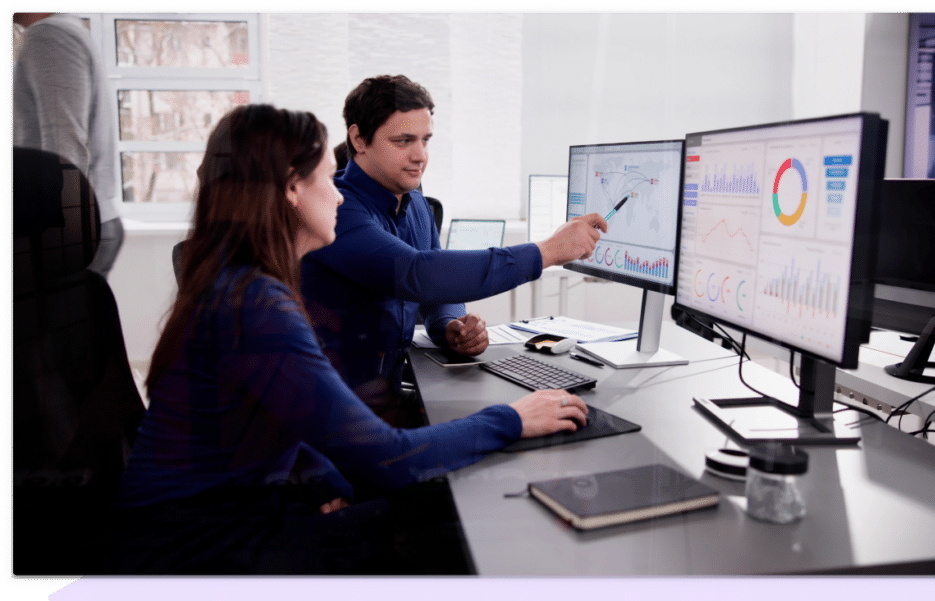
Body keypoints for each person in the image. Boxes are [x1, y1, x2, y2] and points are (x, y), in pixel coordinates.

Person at [107, 104, 589, 574]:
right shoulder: (256, 306)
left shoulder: (240, 284)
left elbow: (280, 412)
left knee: (450, 500)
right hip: (198, 556)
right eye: (325, 179)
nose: (338, 195)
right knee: (474, 517)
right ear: (292, 189)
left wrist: (321, 479)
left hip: (216, 525)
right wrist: (512, 418)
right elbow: (390, 458)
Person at [301, 74, 607, 416]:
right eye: (403, 141)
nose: (420, 156)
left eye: (425, 140)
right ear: (358, 139)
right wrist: (548, 251)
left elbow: (436, 294)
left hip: (381, 401)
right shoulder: (336, 209)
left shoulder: (416, 204)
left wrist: (450, 326)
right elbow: (418, 275)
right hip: (332, 412)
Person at [12, 12, 124, 278]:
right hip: (75, 222)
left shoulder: (50, 35)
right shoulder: (63, 31)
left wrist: (62, 238)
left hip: (63, 227)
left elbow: (64, 142)